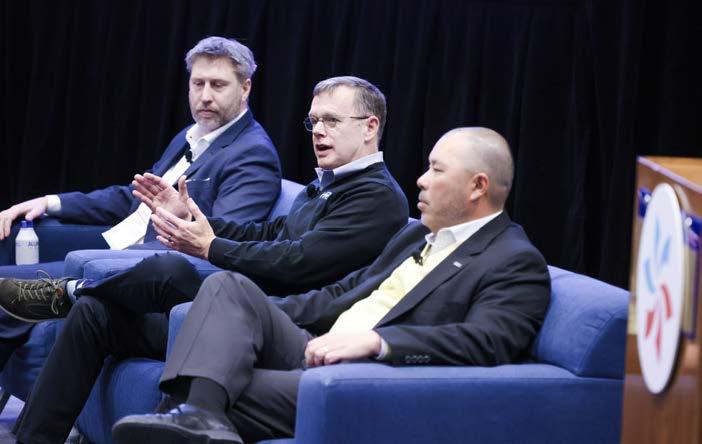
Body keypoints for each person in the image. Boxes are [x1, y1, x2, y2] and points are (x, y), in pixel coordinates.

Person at [11, 127, 549, 444]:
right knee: (222, 293)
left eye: (435, 170)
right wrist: (256, 314)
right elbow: (338, 294)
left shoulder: (514, 260)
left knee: (200, 323)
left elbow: (489, 341)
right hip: (307, 341)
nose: (421, 180)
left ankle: (195, 408)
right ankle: (191, 410)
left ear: (478, 186)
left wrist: (379, 342)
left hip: (365, 372)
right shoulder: (414, 235)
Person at [0, 35, 282, 371]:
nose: (205, 96)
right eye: (198, 83)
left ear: (245, 88)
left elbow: (221, 242)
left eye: (218, 85)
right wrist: (50, 202)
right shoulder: (191, 135)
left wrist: (181, 219)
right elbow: (133, 197)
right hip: (112, 246)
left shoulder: (253, 154)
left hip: (138, 266)